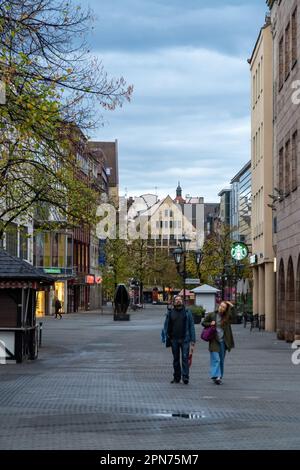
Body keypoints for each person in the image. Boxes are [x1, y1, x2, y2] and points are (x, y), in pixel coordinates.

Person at [161, 296, 196, 385]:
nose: (178, 301)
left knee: (185, 359)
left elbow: (191, 326)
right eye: (176, 300)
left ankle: (185, 377)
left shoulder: (187, 312)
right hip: (174, 340)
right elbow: (166, 325)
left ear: (182, 301)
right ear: (173, 302)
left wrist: (193, 340)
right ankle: (176, 377)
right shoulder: (170, 313)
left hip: (185, 339)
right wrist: (166, 336)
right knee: (176, 359)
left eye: (180, 300)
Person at [202, 300, 234, 385]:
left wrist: (230, 305)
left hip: (223, 341)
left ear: (225, 309)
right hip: (214, 340)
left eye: (223, 307)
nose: (221, 308)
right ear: (218, 306)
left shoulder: (226, 317)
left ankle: (219, 377)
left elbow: (234, 315)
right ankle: (216, 376)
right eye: (221, 306)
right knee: (216, 359)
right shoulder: (212, 315)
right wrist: (210, 324)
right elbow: (203, 323)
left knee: (221, 360)